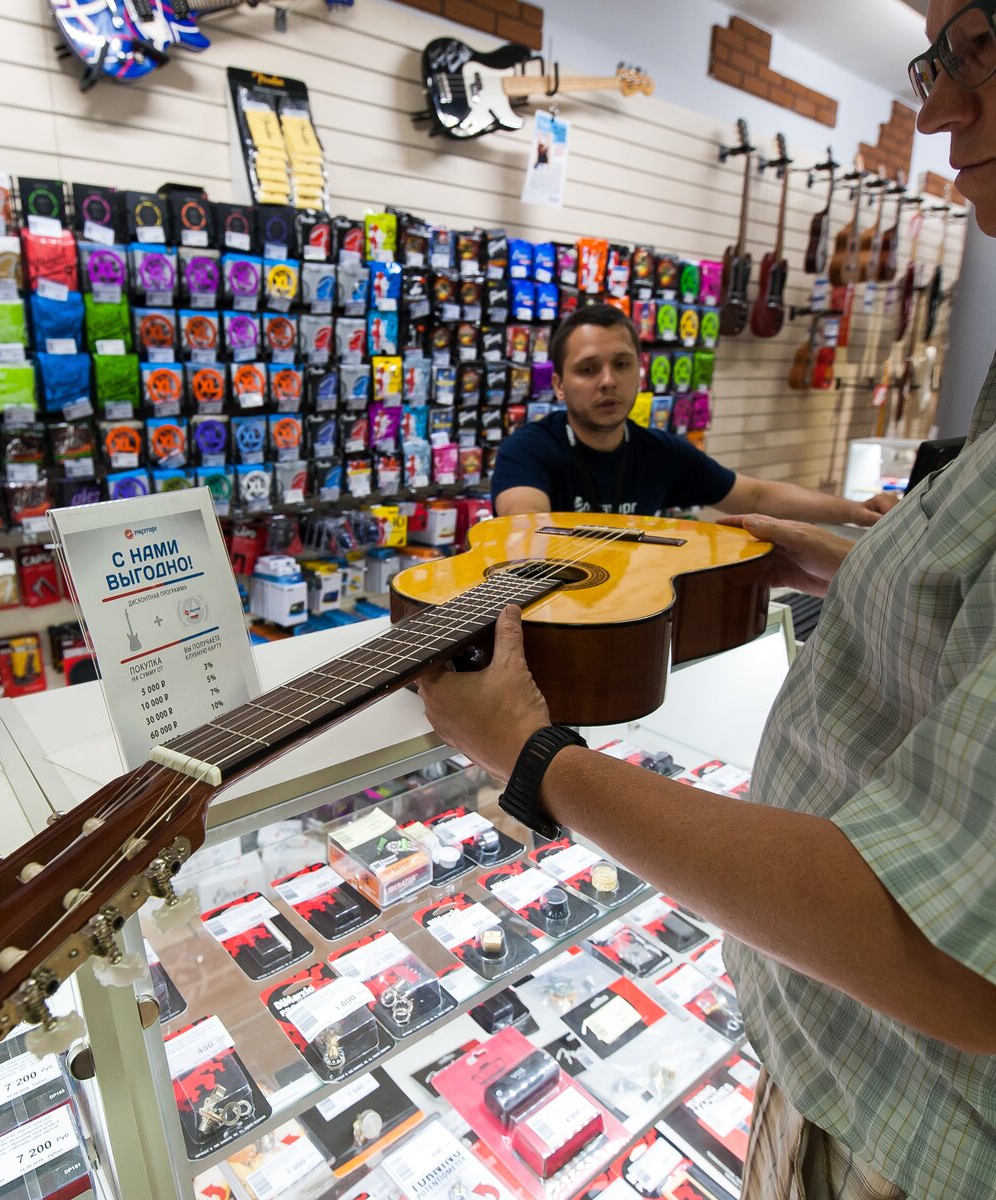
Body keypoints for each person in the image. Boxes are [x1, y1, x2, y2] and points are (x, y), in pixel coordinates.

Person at [418, 2, 996, 1195]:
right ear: (559, 381)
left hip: (909, 1127)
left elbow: (953, 951)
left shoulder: (661, 444)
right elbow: (524, 531)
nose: (938, 109)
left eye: (977, 43)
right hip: (841, 1065)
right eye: (938, 58)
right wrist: (860, 560)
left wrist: (537, 762)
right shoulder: (534, 447)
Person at [491, 304, 899, 526]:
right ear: (559, 385)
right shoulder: (527, 450)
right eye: (587, 369)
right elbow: (524, 521)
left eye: (621, 364)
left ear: (639, 372)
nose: (608, 381)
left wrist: (854, 512)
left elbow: (756, 495)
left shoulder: (660, 453)